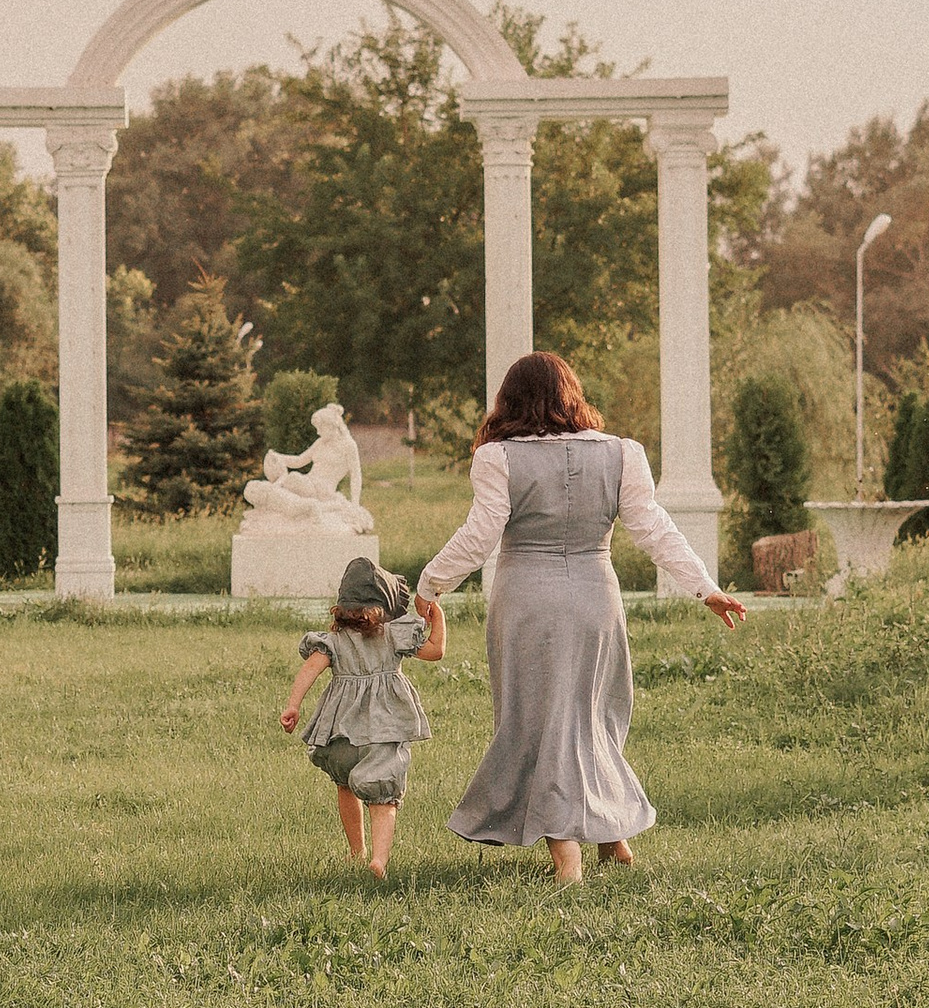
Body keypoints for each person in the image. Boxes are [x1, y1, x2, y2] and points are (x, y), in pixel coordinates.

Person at [415, 349, 743, 880]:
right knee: (591, 717)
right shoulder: (622, 453)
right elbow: (654, 529)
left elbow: (481, 535)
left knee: (542, 722)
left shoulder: (498, 457)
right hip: (596, 595)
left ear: (510, 400)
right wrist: (705, 589)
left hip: (527, 600)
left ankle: (566, 856)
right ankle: (614, 841)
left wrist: (432, 582)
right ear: (572, 393)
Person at [278, 556, 448, 878]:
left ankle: (357, 852)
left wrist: (293, 705)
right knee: (382, 795)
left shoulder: (333, 642)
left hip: (340, 733)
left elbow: (309, 669)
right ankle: (379, 859)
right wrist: (437, 616)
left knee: (345, 785)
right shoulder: (394, 635)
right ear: (383, 605)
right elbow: (435, 651)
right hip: (381, 731)